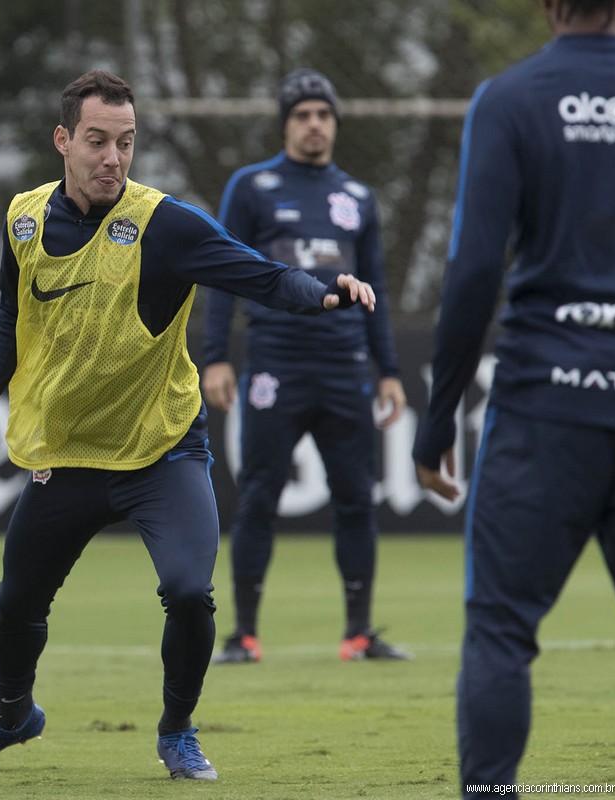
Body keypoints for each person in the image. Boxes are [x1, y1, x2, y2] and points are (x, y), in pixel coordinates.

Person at [0, 69, 376, 781]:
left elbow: (261, 274)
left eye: (126, 143)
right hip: (68, 453)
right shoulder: (23, 216)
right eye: (98, 141)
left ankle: (177, 732)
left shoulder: (165, 223)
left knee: (190, 592)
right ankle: (11, 716)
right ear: (63, 141)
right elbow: (9, 323)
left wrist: (329, 293)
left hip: (160, 451)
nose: (113, 158)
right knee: (16, 603)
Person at [412, 0, 615, 795]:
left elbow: (472, 270)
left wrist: (439, 424)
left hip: (545, 408)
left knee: (501, 630)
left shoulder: (511, 97)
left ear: (545, 5)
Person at [199, 69, 410, 665]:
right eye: (302, 114)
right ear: (286, 123)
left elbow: (379, 292)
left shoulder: (359, 198)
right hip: (275, 363)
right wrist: (215, 356)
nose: (314, 124)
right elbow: (221, 274)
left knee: (356, 500)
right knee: (259, 495)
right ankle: (242, 635)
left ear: (335, 123)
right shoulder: (253, 186)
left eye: (323, 114)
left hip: (345, 367)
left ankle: (360, 634)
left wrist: (388, 370)